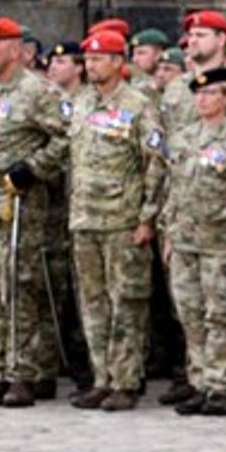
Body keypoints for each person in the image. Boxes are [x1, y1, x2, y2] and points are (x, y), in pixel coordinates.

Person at [67, 30, 168, 411]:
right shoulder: (81, 103)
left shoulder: (138, 105)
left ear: (117, 62)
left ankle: (125, 380)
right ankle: (101, 377)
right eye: (88, 59)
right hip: (85, 219)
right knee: (92, 303)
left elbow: (156, 165)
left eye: (99, 59)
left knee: (126, 302)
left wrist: (147, 218)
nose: (91, 65)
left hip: (123, 220)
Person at [159, 67, 226, 415]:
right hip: (186, 241)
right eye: (199, 94)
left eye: (210, 94)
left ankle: (222, 385)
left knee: (222, 317)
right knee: (190, 315)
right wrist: (169, 234)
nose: (202, 100)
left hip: (222, 243)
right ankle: (199, 381)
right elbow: (172, 190)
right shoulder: (184, 138)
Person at [0, 16, 71, 407]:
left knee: (19, 287)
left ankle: (27, 371)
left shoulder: (38, 92)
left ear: (16, 50)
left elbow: (68, 137)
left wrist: (33, 168)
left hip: (18, 201)